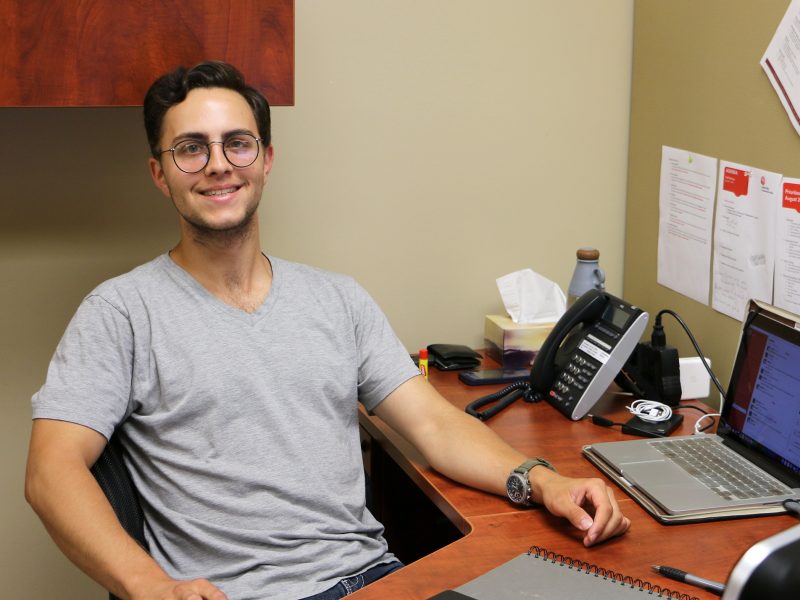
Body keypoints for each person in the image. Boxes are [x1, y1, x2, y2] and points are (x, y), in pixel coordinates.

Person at [25, 61, 630, 600]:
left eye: (237, 143)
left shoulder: (337, 299)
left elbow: (435, 426)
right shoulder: (121, 313)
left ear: (265, 159)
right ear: (160, 173)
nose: (217, 165)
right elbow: (51, 472)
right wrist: (149, 585)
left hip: (372, 577)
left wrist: (543, 481)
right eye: (190, 148)